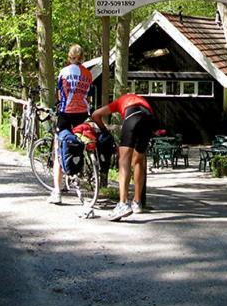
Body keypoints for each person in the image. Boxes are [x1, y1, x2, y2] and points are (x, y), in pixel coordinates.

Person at [91, 92, 157, 221]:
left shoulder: (121, 101)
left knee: (123, 160)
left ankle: (123, 203)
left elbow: (95, 115)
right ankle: (137, 203)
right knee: (138, 161)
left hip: (132, 115)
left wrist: (104, 130)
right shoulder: (142, 100)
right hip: (149, 118)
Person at [50, 45, 94, 203]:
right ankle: (81, 171)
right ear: (82, 57)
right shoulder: (88, 74)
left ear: (69, 57)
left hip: (66, 113)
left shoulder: (64, 72)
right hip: (82, 113)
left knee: (59, 145)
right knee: (79, 142)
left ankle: (57, 192)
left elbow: (59, 93)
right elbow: (88, 95)